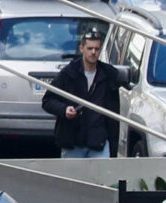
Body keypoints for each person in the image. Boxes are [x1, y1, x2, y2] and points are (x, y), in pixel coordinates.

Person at [40, 30, 125, 159]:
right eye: (90, 48)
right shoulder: (68, 73)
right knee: (72, 178)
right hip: (73, 142)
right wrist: (64, 110)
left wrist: (113, 146)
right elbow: (48, 101)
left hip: (99, 142)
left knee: (101, 178)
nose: (93, 52)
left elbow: (113, 113)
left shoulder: (109, 74)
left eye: (97, 49)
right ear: (81, 48)